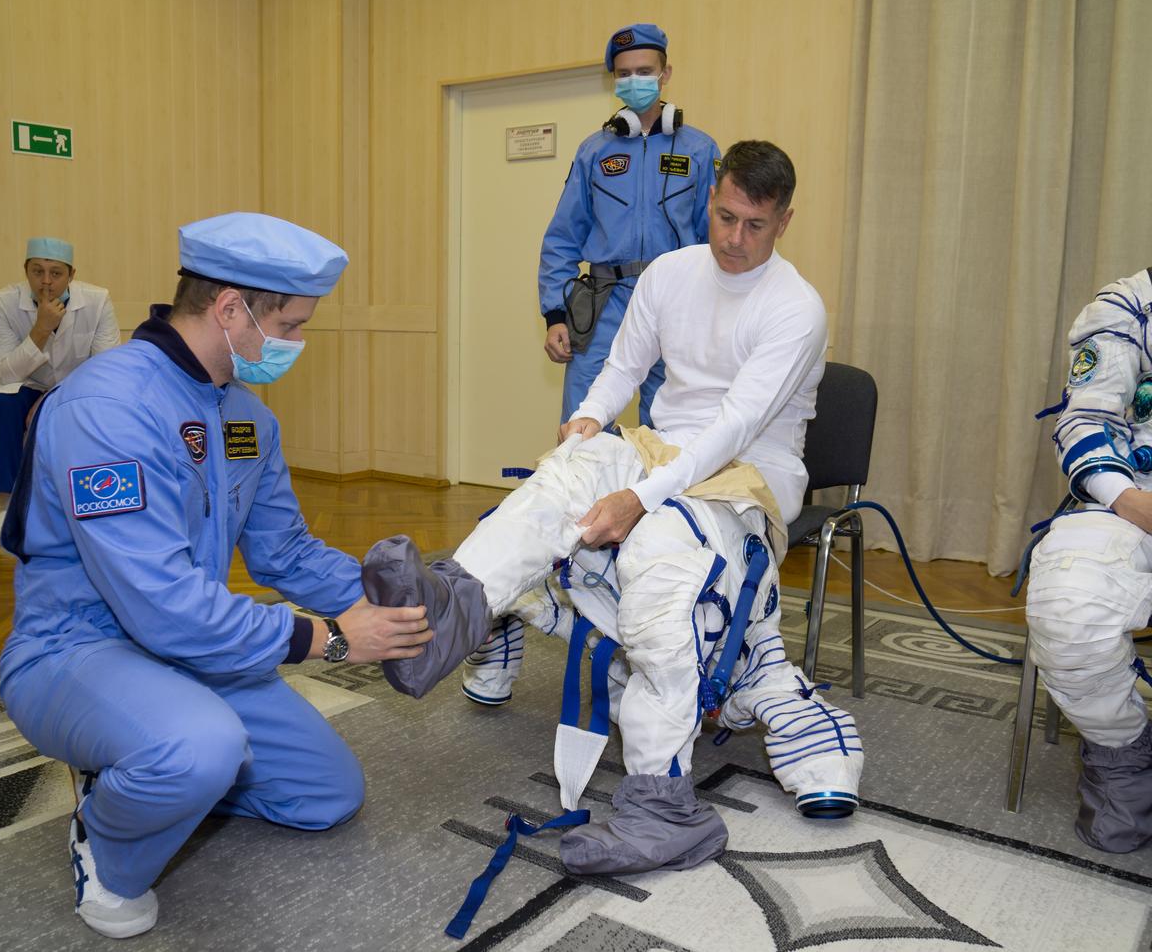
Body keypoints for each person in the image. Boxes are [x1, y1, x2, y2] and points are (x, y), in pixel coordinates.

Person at [365, 141, 865, 875]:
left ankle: (662, 808)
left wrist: (638, 497)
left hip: (749, 474)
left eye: (754, 225)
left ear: (784, 221)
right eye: (724, 216)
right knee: (559, 479)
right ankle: (449, 612)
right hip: (662, 448)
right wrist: (589, 424)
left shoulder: (796, 308)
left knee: (664, 563)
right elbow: (621, 368)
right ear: (711, 200)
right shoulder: (669, 273)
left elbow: (731, 426)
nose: (733, 238)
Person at [0, 213, 434, 939]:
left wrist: (397, 600)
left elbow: (285, 552)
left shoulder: (246, 418)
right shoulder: (108, 407)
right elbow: (162, 606)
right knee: (199, 748)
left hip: (192, 652)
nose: (296, 343)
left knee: (327, 794)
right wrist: (329, 639)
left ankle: (158, 761)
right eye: (290, 325)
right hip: (75, 651)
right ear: (230, 308)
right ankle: (104, 838)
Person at [1026, 266, 1152, 854]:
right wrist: (1129, 500)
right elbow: (1088, 418)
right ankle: (1124, 753)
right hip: (1132, 500)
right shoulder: (1129, 306)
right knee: (1069, 605)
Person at [539, 23, 720, 427]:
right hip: (605, 302)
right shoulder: (594, 151)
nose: (633, 80)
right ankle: (579, 493)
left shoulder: (700, 150)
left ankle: (651, 495)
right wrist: (555, 315)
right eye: (623, 74)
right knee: (581, 425)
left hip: (674, 303)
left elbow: (716, 240)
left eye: (644, 71)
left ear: (665, 74)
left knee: (669, 432)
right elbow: (562, 238)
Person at [0, 237, 120, 539]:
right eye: (37, 271)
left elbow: (106, 366)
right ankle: (7, 506)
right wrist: (41, 328)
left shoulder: (97, 300)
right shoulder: (2, 302)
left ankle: (93, 497)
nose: (46, 282)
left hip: (77, 386)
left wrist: (54, 397)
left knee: (106, 406)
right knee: (4, 402)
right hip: (25, 384)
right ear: (26, 271)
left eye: (56, 273)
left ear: (72, 275)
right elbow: (6, 372)